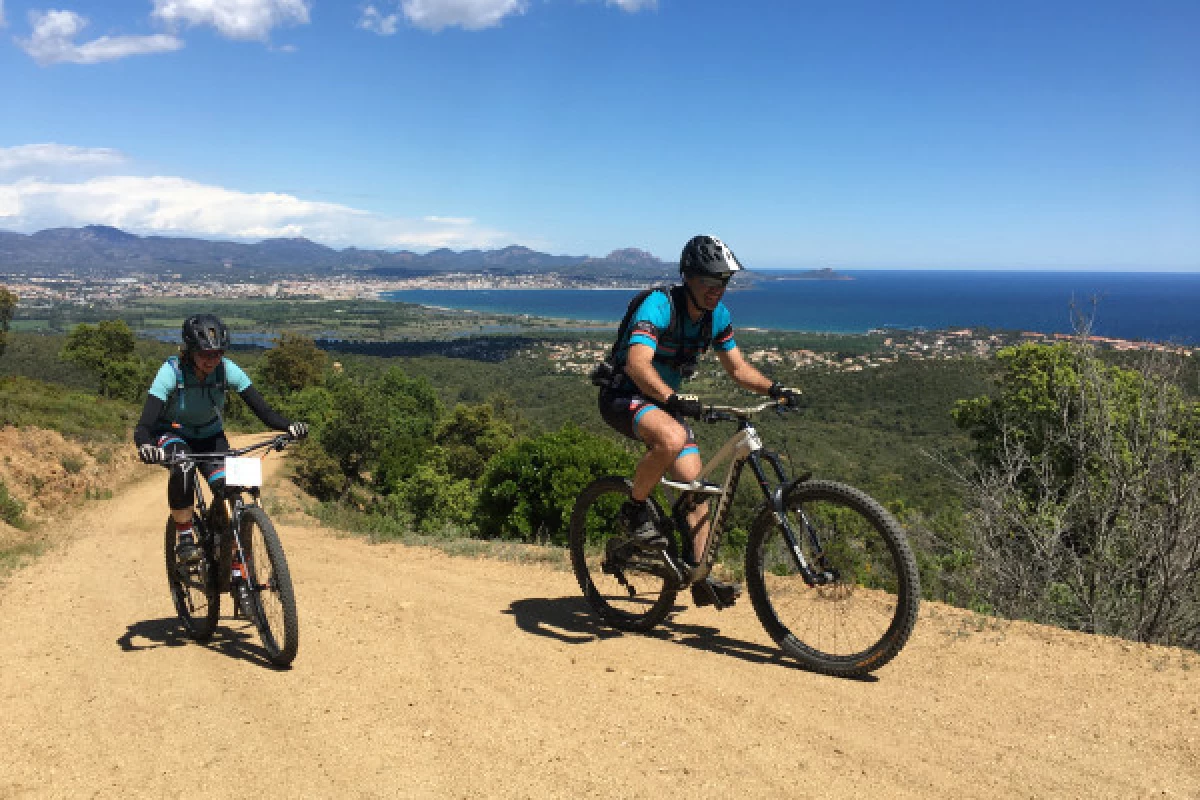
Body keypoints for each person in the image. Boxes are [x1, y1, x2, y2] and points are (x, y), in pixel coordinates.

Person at [597, 235, 801, 608]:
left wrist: (776, 389)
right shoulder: (660, 305)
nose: (717, 290)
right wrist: (673, 398)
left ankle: (698, 573)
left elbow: (737, 368)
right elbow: (637, 363)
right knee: (672, 438)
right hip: (624, 395)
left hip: (664, 402)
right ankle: (633, 509)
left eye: (723, 282)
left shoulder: (717, 318)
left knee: (696, 491)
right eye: (709, 281)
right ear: (688, 278)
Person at [133, 314, 308, 564]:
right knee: (183, 465)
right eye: (205, 354)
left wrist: (290, 426)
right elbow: (144, 425)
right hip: (173, 433)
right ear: (190, 350)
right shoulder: (171, 372)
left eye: (217, 354)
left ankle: (228, 547)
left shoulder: (228, 370)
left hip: (210, 435)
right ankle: (184, 538)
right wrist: (146, 446)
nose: (212, 360)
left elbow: (264, 411)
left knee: (232, 487)